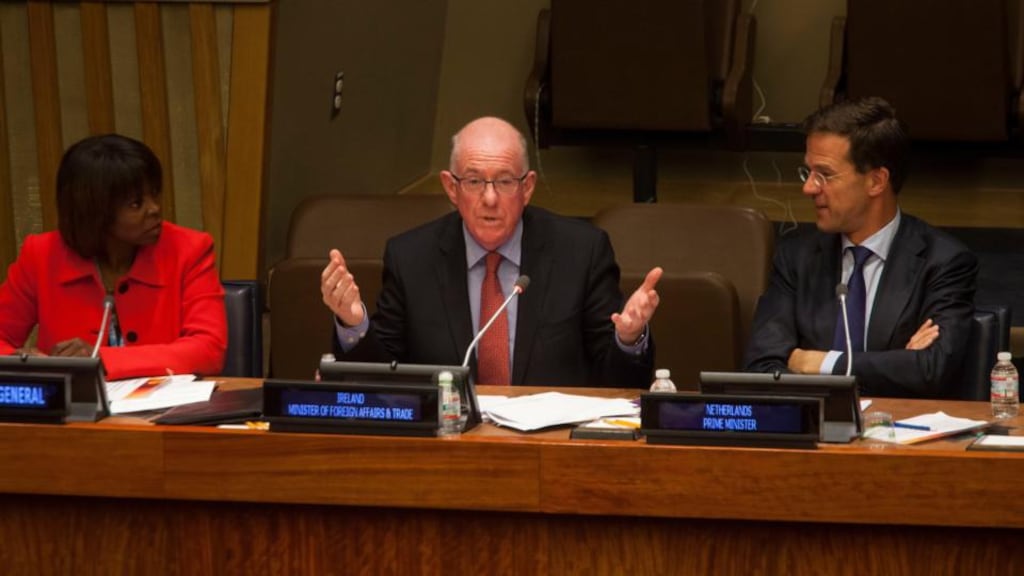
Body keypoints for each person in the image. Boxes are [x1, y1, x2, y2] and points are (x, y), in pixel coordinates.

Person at [321, 116, 661, 387]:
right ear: (450, 188)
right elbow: (384, 381)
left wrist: (628, 339)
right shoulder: (411, 258)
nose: (490, 199)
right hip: (447, 451)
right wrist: (355, 323)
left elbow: (619, 386)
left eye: (504, 181)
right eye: (473, 182)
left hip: (552, 449)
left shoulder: (582, 252)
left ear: (527, 187)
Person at [743, 97, 978, 398]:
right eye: (808, 172)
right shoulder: (796, 259)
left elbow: (930, 369)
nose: (808, 188)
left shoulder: (943, 261)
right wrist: (895, 364)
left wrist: (819, 362)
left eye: (824, 175)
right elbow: (762, 368)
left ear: (876, 181)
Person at [0, 134, 227, 380]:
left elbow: (208, 350)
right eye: (136, 203)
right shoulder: (42, 256)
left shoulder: (189, 250)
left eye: (154, 194)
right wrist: (22, 362)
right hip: (72, 412)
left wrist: (100, 359)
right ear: (96, 212)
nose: (155, 209)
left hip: (164, 410)